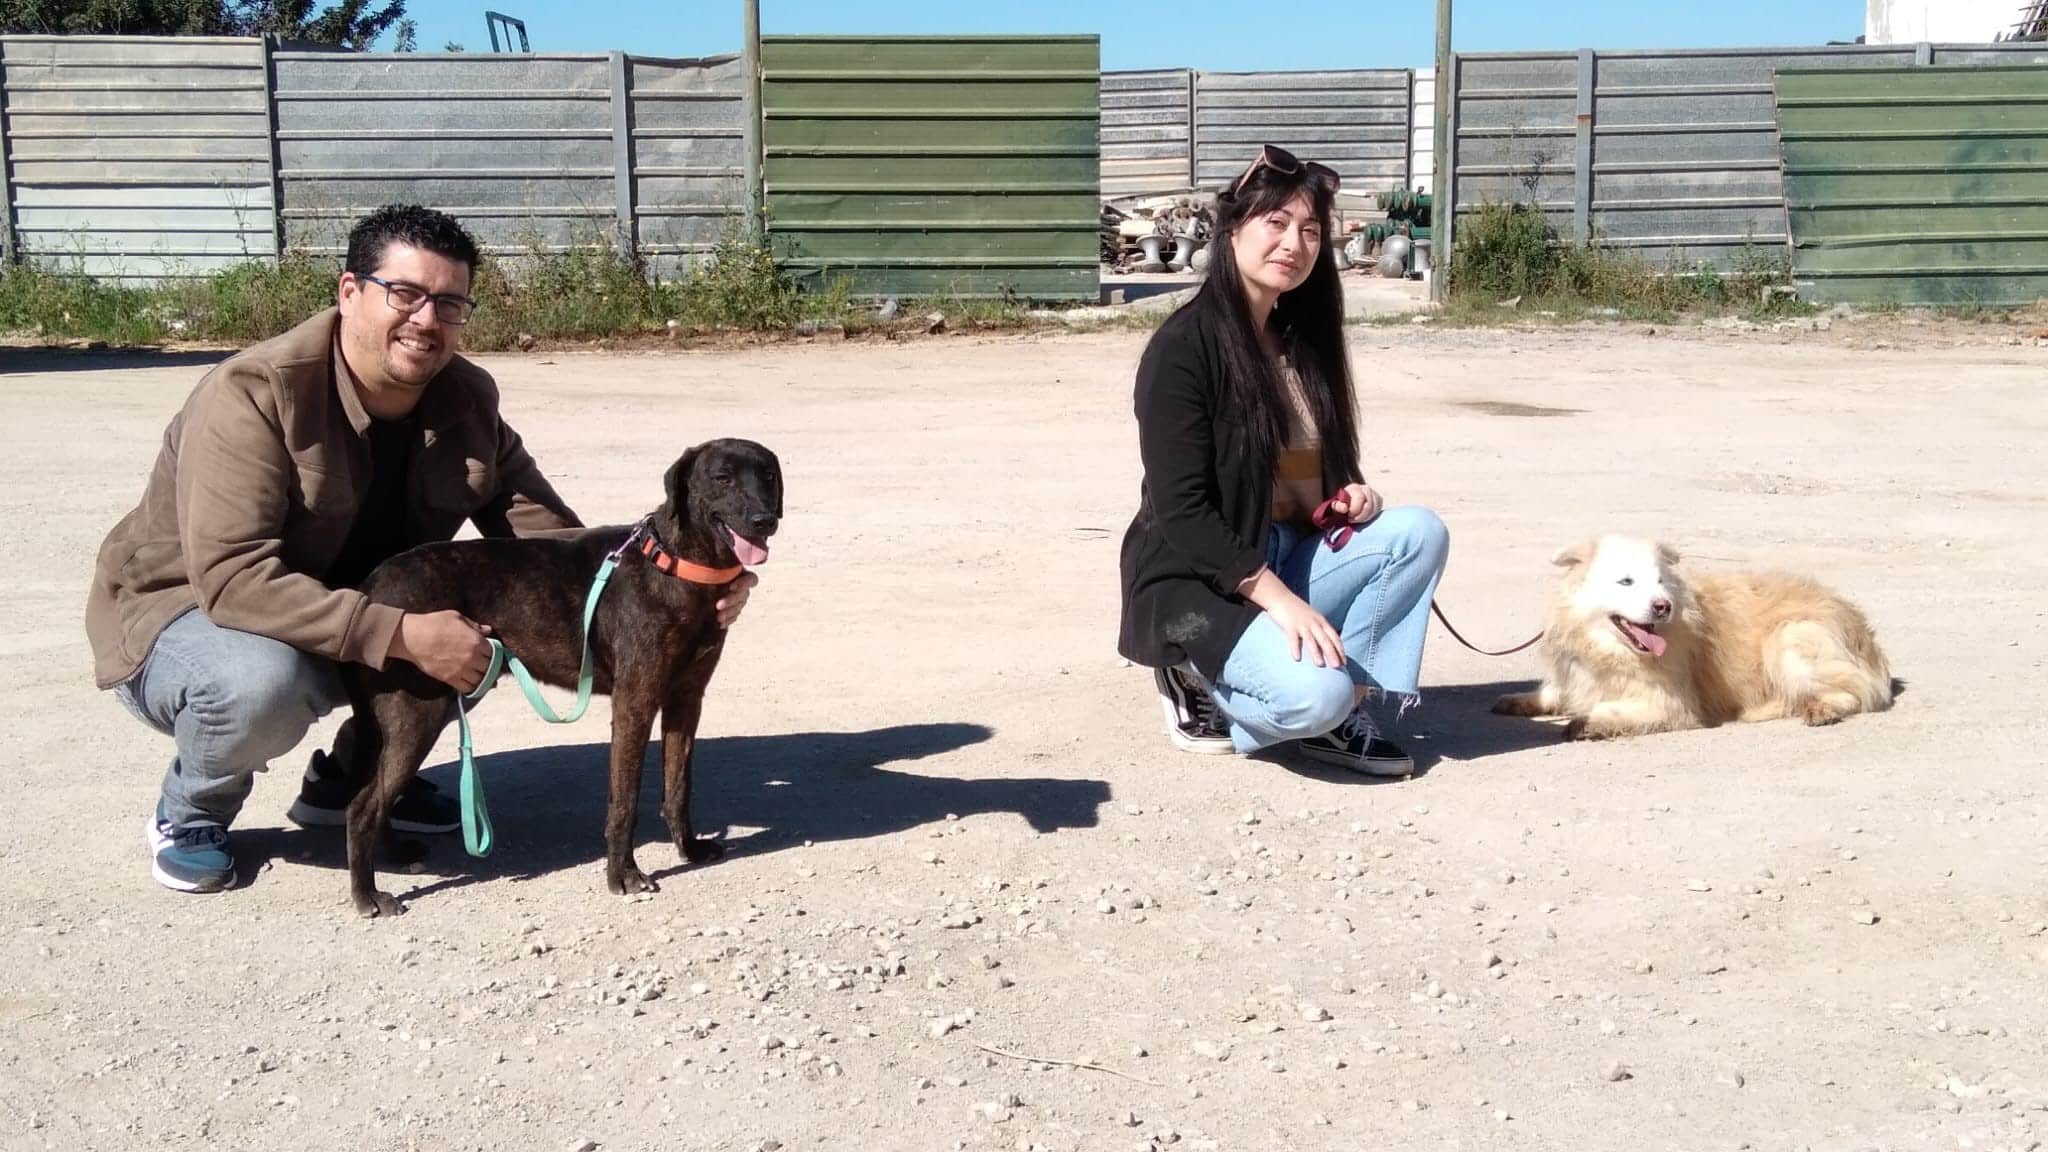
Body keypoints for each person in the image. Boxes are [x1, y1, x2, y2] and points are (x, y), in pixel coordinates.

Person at [84, 204, 758, 894]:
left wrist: (690, 573)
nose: (428, 320)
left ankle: (352, 777)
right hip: (188, 616)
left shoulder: (465, 395)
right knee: (265, 685)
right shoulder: (254, 395)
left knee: (505, 624)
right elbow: (232, 580)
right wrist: (403, 634)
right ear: (349, 293)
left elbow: (547, 539)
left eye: (450, 303)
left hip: (340, 599)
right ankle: (193, 812)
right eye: (404, 294)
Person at [1117, 146, 1450, 776]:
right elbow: (1182, 511)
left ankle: (1344, 708)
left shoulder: (1303, 342)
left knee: (1417, 533)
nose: (1293, 243)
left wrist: (1352, 492)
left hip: (1286, 552)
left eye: (1310, 230)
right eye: (1275, 222)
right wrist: (1282, 602)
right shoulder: (1182, 350)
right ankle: (1195, 675)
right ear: (1234, 228)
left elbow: (1316, 469)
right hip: (1202, 578)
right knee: (1310, 700)